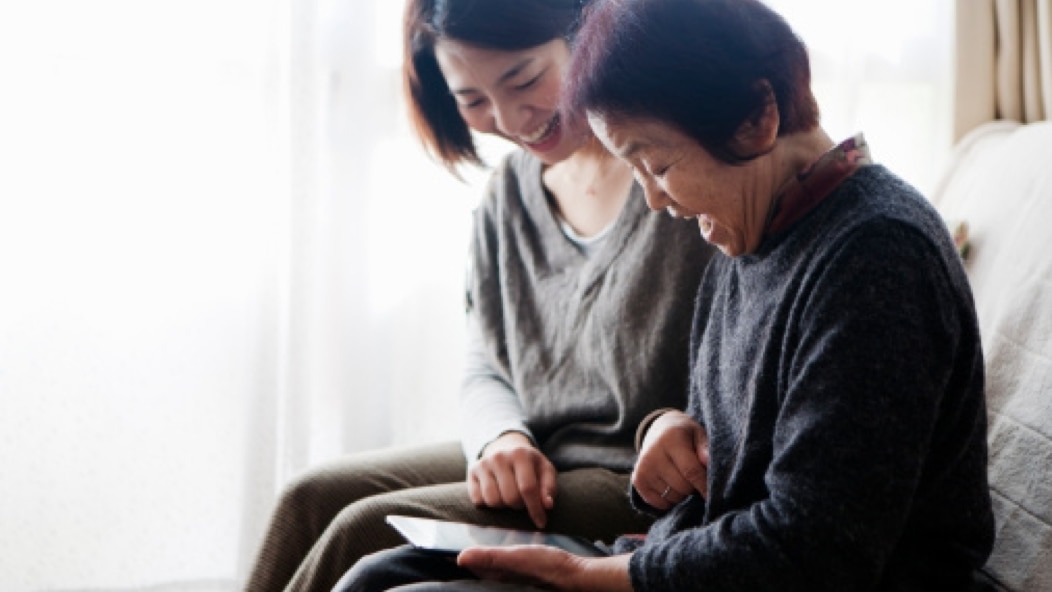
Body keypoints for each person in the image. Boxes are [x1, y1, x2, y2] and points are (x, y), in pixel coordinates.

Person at [333, 0, 997, 590]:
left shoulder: (876, 253)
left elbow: (815, 550)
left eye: (657, 164)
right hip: (691, 555)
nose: (653, 200)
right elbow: (737, 444)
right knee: (379, 573)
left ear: (758, 117)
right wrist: (673, 433)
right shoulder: (753, 233)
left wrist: (589, 574)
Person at [241, 0, 713, 590]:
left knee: (360, 529)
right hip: (539, 457)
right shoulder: (506, 197)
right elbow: (485, 361)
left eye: (525, 79)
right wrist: (500, 436)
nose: (512, 119)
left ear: (588, 33)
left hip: (636, 479)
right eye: (473, 102)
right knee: (307, 498)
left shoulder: (675, 178)